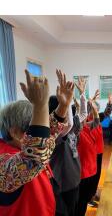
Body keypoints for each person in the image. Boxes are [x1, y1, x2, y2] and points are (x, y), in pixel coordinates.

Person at [0, 70, 73, 216]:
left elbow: (46, 135)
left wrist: (63, 106)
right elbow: (34, 156)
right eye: (32, 127)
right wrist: (40, 106)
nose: (42, 137)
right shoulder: (3, 162)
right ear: (15, 132)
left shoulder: (21, 145)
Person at [48, 76, 89, 216]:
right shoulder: (54, 133)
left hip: (74, 179)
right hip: (62, 184)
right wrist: (67, 101)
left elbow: (83, 114)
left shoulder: (71, 127)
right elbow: (69, 124)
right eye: (63, 109)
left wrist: (82, 94)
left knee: (75, 209)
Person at [74, 93, 99, 216]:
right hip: (83, 174)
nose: (85, 117)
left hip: (91, 171)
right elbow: (81, 113)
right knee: (81, 202)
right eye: (82, 116)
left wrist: (93, 107)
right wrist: (81, 99)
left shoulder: (87, 128)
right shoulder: (77, 133)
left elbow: (97, 121)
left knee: (84, 200)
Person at [87, 91, 112, 207]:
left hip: (99, 151)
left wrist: (110, 102)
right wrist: (91, 101)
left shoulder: (98, 117)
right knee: (92, 175)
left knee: (97, 174)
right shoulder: (87, 120)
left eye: (97, 110)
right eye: (95, 109)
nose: (97, 112)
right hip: (91, 153)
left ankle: (93, 193)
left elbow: (107, 112)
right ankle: (89, 198)